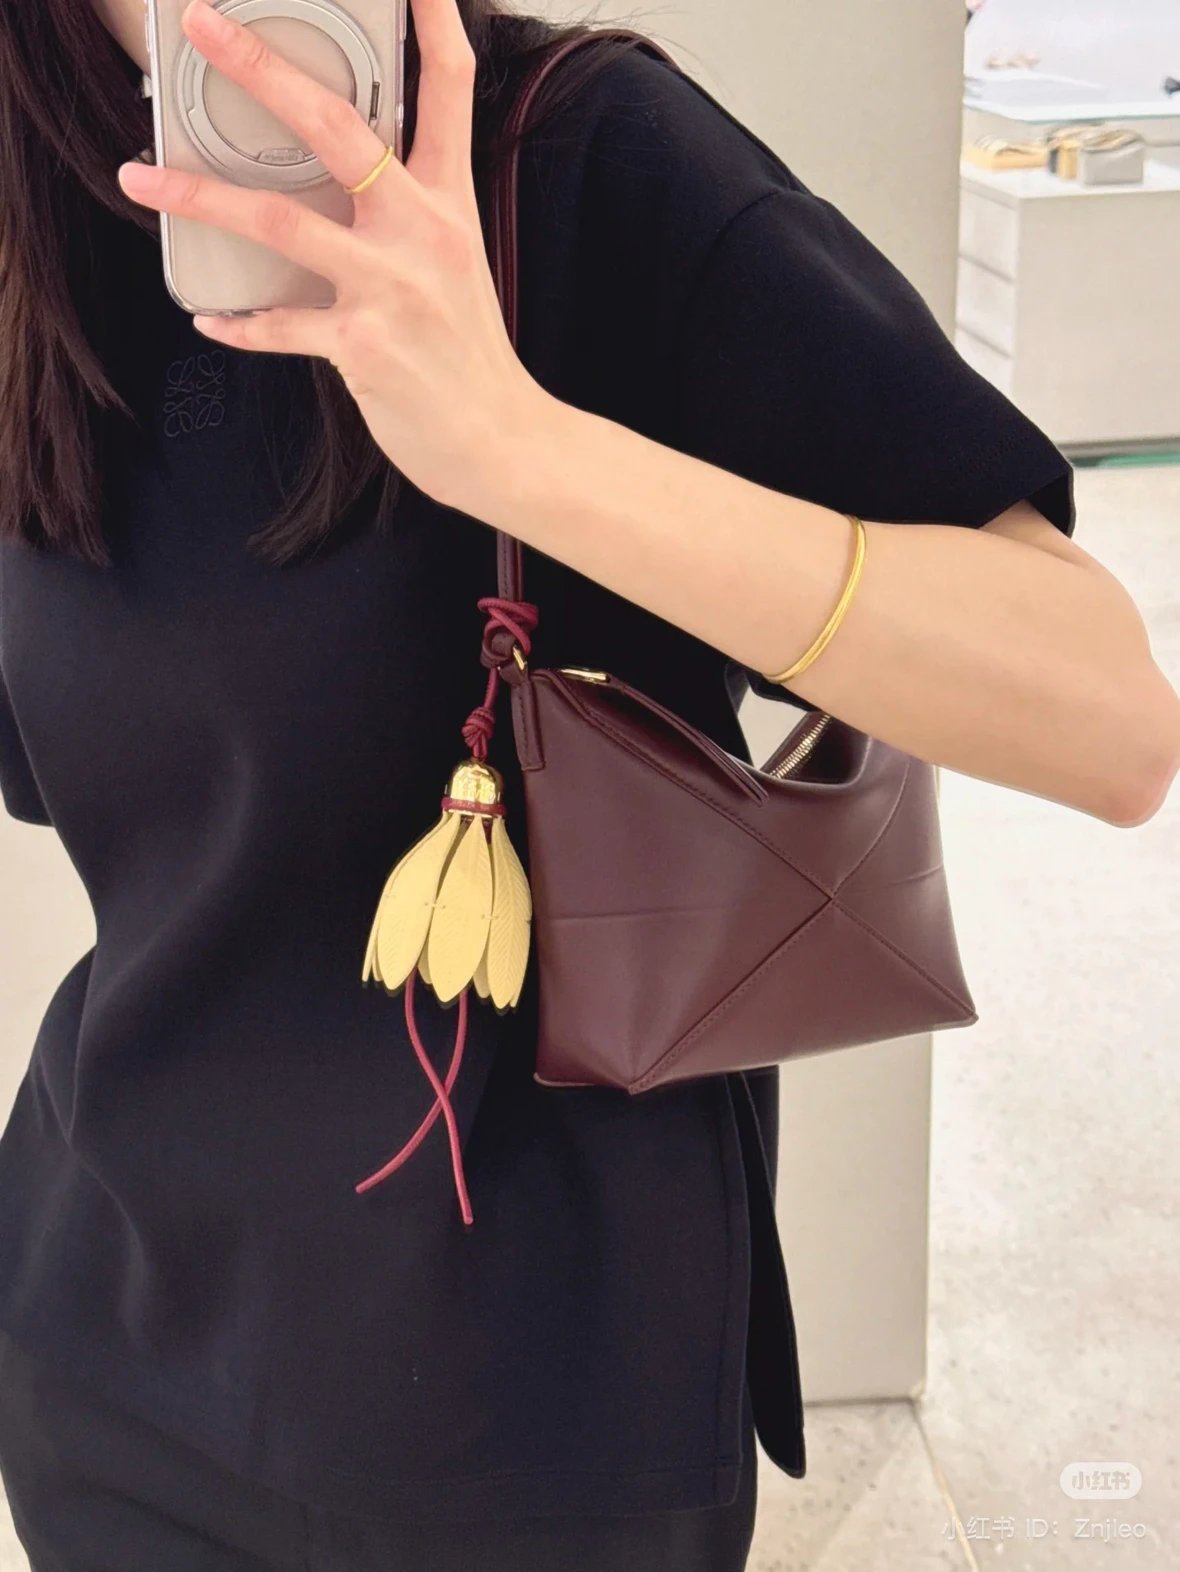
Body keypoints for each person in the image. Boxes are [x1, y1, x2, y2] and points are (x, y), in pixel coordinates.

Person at [0, 0, 1176, 1567]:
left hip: (550, 1425)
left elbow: (1110, 724)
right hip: (111, 1372)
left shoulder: (584, 160)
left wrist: (523, 453)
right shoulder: (31, 232)